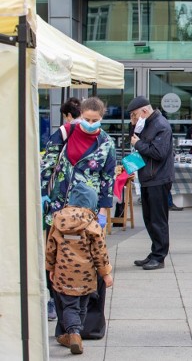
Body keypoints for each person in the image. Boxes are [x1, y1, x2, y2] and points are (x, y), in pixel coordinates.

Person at [41, 97, 116, 321]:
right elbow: (48, 162)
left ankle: (83, 301)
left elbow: (107, 178)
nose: (91, 123)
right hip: (59, 203)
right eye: (87, 119)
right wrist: (43, 191)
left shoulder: (106, 142)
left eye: (96, 120)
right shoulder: (65, 133)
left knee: (84, 253)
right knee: (54, 251)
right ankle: (54, 298)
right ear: (79, 115)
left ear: (102, 118)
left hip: (87, 208)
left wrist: (103, 211)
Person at [45, 182, 113, 355]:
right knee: (82, 306)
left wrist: (50, 268)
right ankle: (75, 333)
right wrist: (106, 274)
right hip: (86, 275)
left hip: (63, 273)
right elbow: (100, 252)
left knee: (69, 306)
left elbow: (51, 247)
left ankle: (72, 334)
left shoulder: (58, 220)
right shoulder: (93, 224)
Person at [127, 96, 175, 271]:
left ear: (145, 111)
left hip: (158, 178)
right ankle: (155, 252)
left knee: (158, 219)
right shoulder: (146, 124)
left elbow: (158, 153)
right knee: (149, 219)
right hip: (148, 177)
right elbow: (142, 150)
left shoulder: (161, 125)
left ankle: (159, 256)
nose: (133, 119)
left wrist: (138, 142)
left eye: (134, 115)